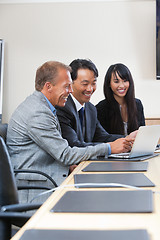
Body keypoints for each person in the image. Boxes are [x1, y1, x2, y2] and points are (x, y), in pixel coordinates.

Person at [6, 61, 134, 203]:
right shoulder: (37, 112)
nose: (71, 91)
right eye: (67, 86)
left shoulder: (43, 106)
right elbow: (65, 154)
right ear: (48, 86)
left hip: (48, 180)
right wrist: (109, 148)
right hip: (37, 191)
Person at [56, 59, 136, 148]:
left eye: (93, 83)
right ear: (70, 83)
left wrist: (128, 139)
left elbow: (103, 137)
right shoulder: (62, 108)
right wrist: (110, 147)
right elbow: (73, 145)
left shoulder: (91, 109)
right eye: (85, 84)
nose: (90, 89)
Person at [96, 63, 145, 136]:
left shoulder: (137, 104)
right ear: (109, 83)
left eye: (125, 81)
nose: (122, 85)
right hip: (114, 147)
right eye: (116, 81)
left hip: (136, 147)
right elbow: (102, 138)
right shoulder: (101, 108)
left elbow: (142, 133)